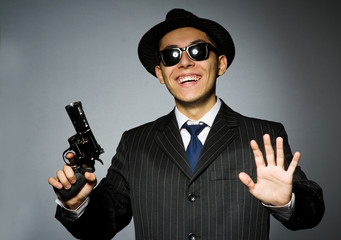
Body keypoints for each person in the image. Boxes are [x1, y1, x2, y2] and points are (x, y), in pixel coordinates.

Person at [48, 8, 324, 240]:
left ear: (221, 64)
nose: (185, 63)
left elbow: (310, 213)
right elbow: (100, 227)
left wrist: (286, 203)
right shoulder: (135, 143)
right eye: (171, 56)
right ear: (160, 73)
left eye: (198, 51)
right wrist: (75, 204)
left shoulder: (264, 135)